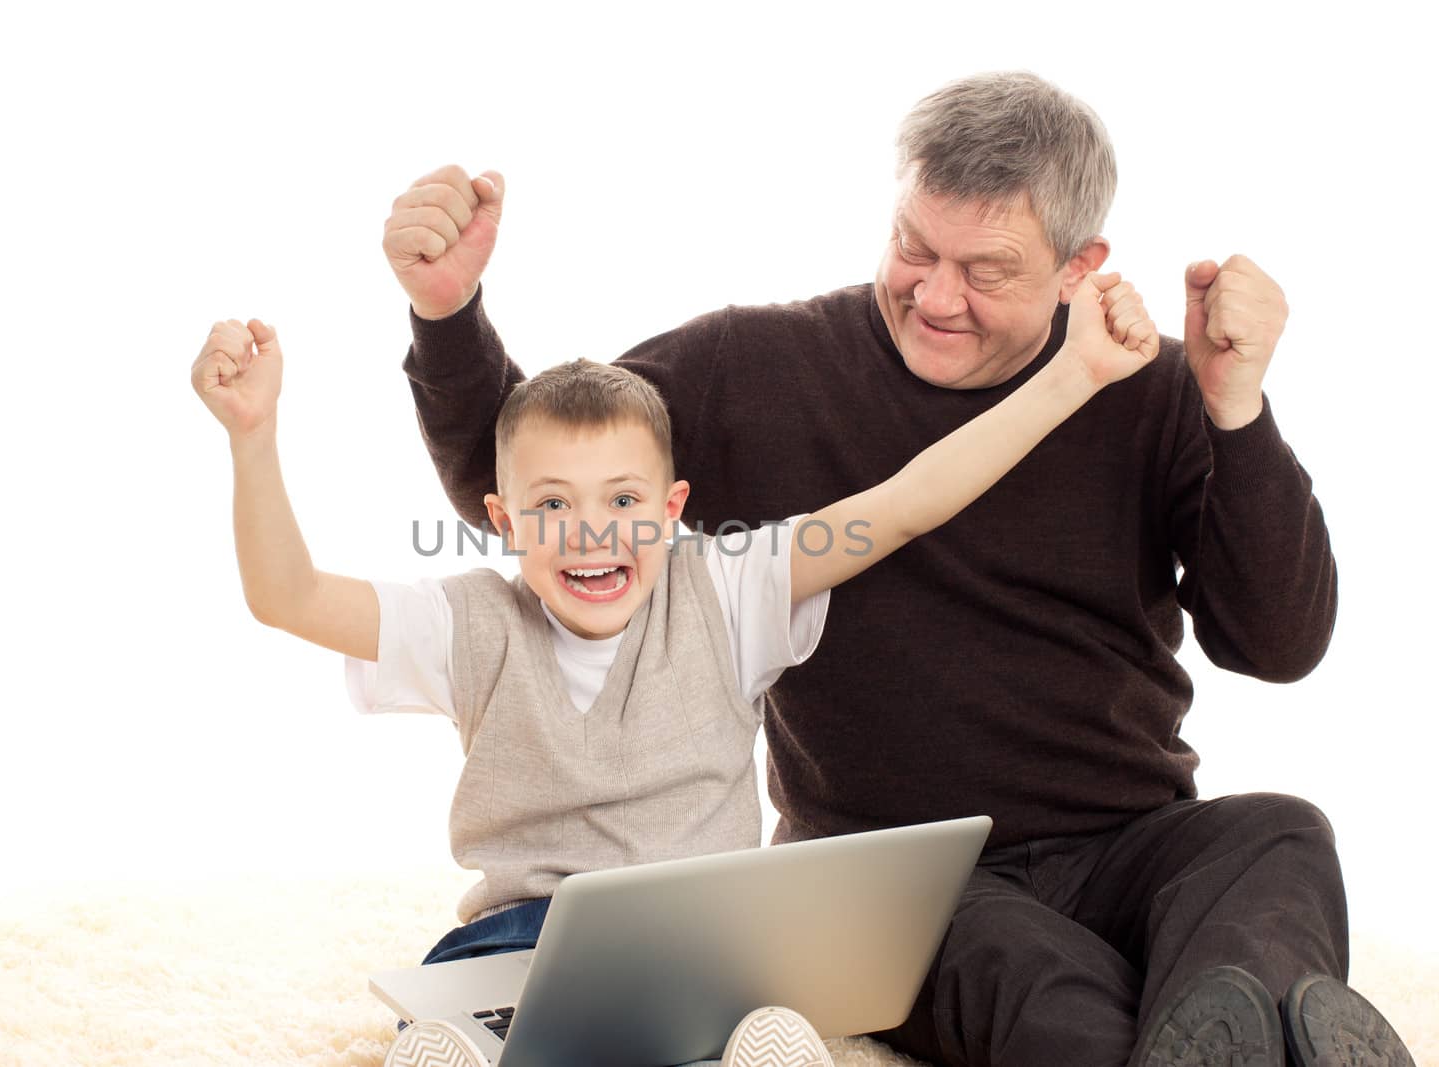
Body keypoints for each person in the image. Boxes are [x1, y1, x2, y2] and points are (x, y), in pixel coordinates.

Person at [379, 72, 1415, 1067]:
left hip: (1130, 840)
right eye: (913, 247)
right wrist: (446, 316)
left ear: (1079, 266)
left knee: (1279, 833)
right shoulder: (760, 366)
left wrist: (1233, 406)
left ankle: (1219, 1026)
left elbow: (1276, 641)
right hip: (901, 875)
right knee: (1056, 1002)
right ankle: (1236, 1029)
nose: (933, 295)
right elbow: (522, 487)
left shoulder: (1140, 383)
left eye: (986, 271)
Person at [189, 262, 1159, 1067]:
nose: (591, 533)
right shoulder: (467, 620)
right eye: (553, 506)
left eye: (622, 500)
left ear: (671, 507)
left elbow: (905, 501)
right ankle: (472, 1049)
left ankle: (739, 1050)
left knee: (743, 1014)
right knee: (486, 1007)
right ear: (503, 519)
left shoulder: (728, 590)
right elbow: (290, 597)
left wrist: (1073, 373)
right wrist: (252, 438)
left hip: (702, 943)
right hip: (522, 938)